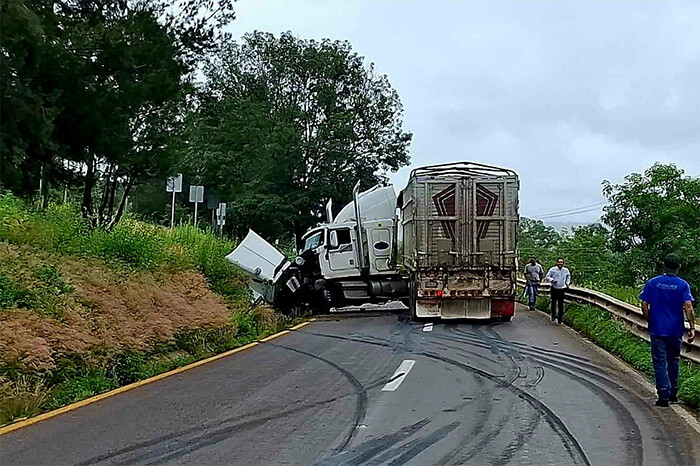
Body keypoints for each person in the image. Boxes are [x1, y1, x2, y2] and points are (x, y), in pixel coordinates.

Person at [639, 253, 696, 407]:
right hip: (675, 329)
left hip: (657, 329)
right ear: (679, 267)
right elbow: (688, 306)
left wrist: (649, 318)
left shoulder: (653, 283)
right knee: (674, 360)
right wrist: (692, 326)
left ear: (663, 265)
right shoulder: (683, 285)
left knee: (659, 362)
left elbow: (644, 303)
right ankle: (673, 393)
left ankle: (663, 394)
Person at [545, 258, 570, 324]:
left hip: (562, 288)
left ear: (563, 263)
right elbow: (547, 276)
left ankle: (560, 318)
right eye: (559, 262)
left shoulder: (566, 270)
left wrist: (567, 283)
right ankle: (553, 315)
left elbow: (568, 277)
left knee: (560, 304)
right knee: (553, 302)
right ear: (556, 263)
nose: (560, 263)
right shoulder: (552, 269)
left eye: (561, 262)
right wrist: (552, 280)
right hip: (554, 288)